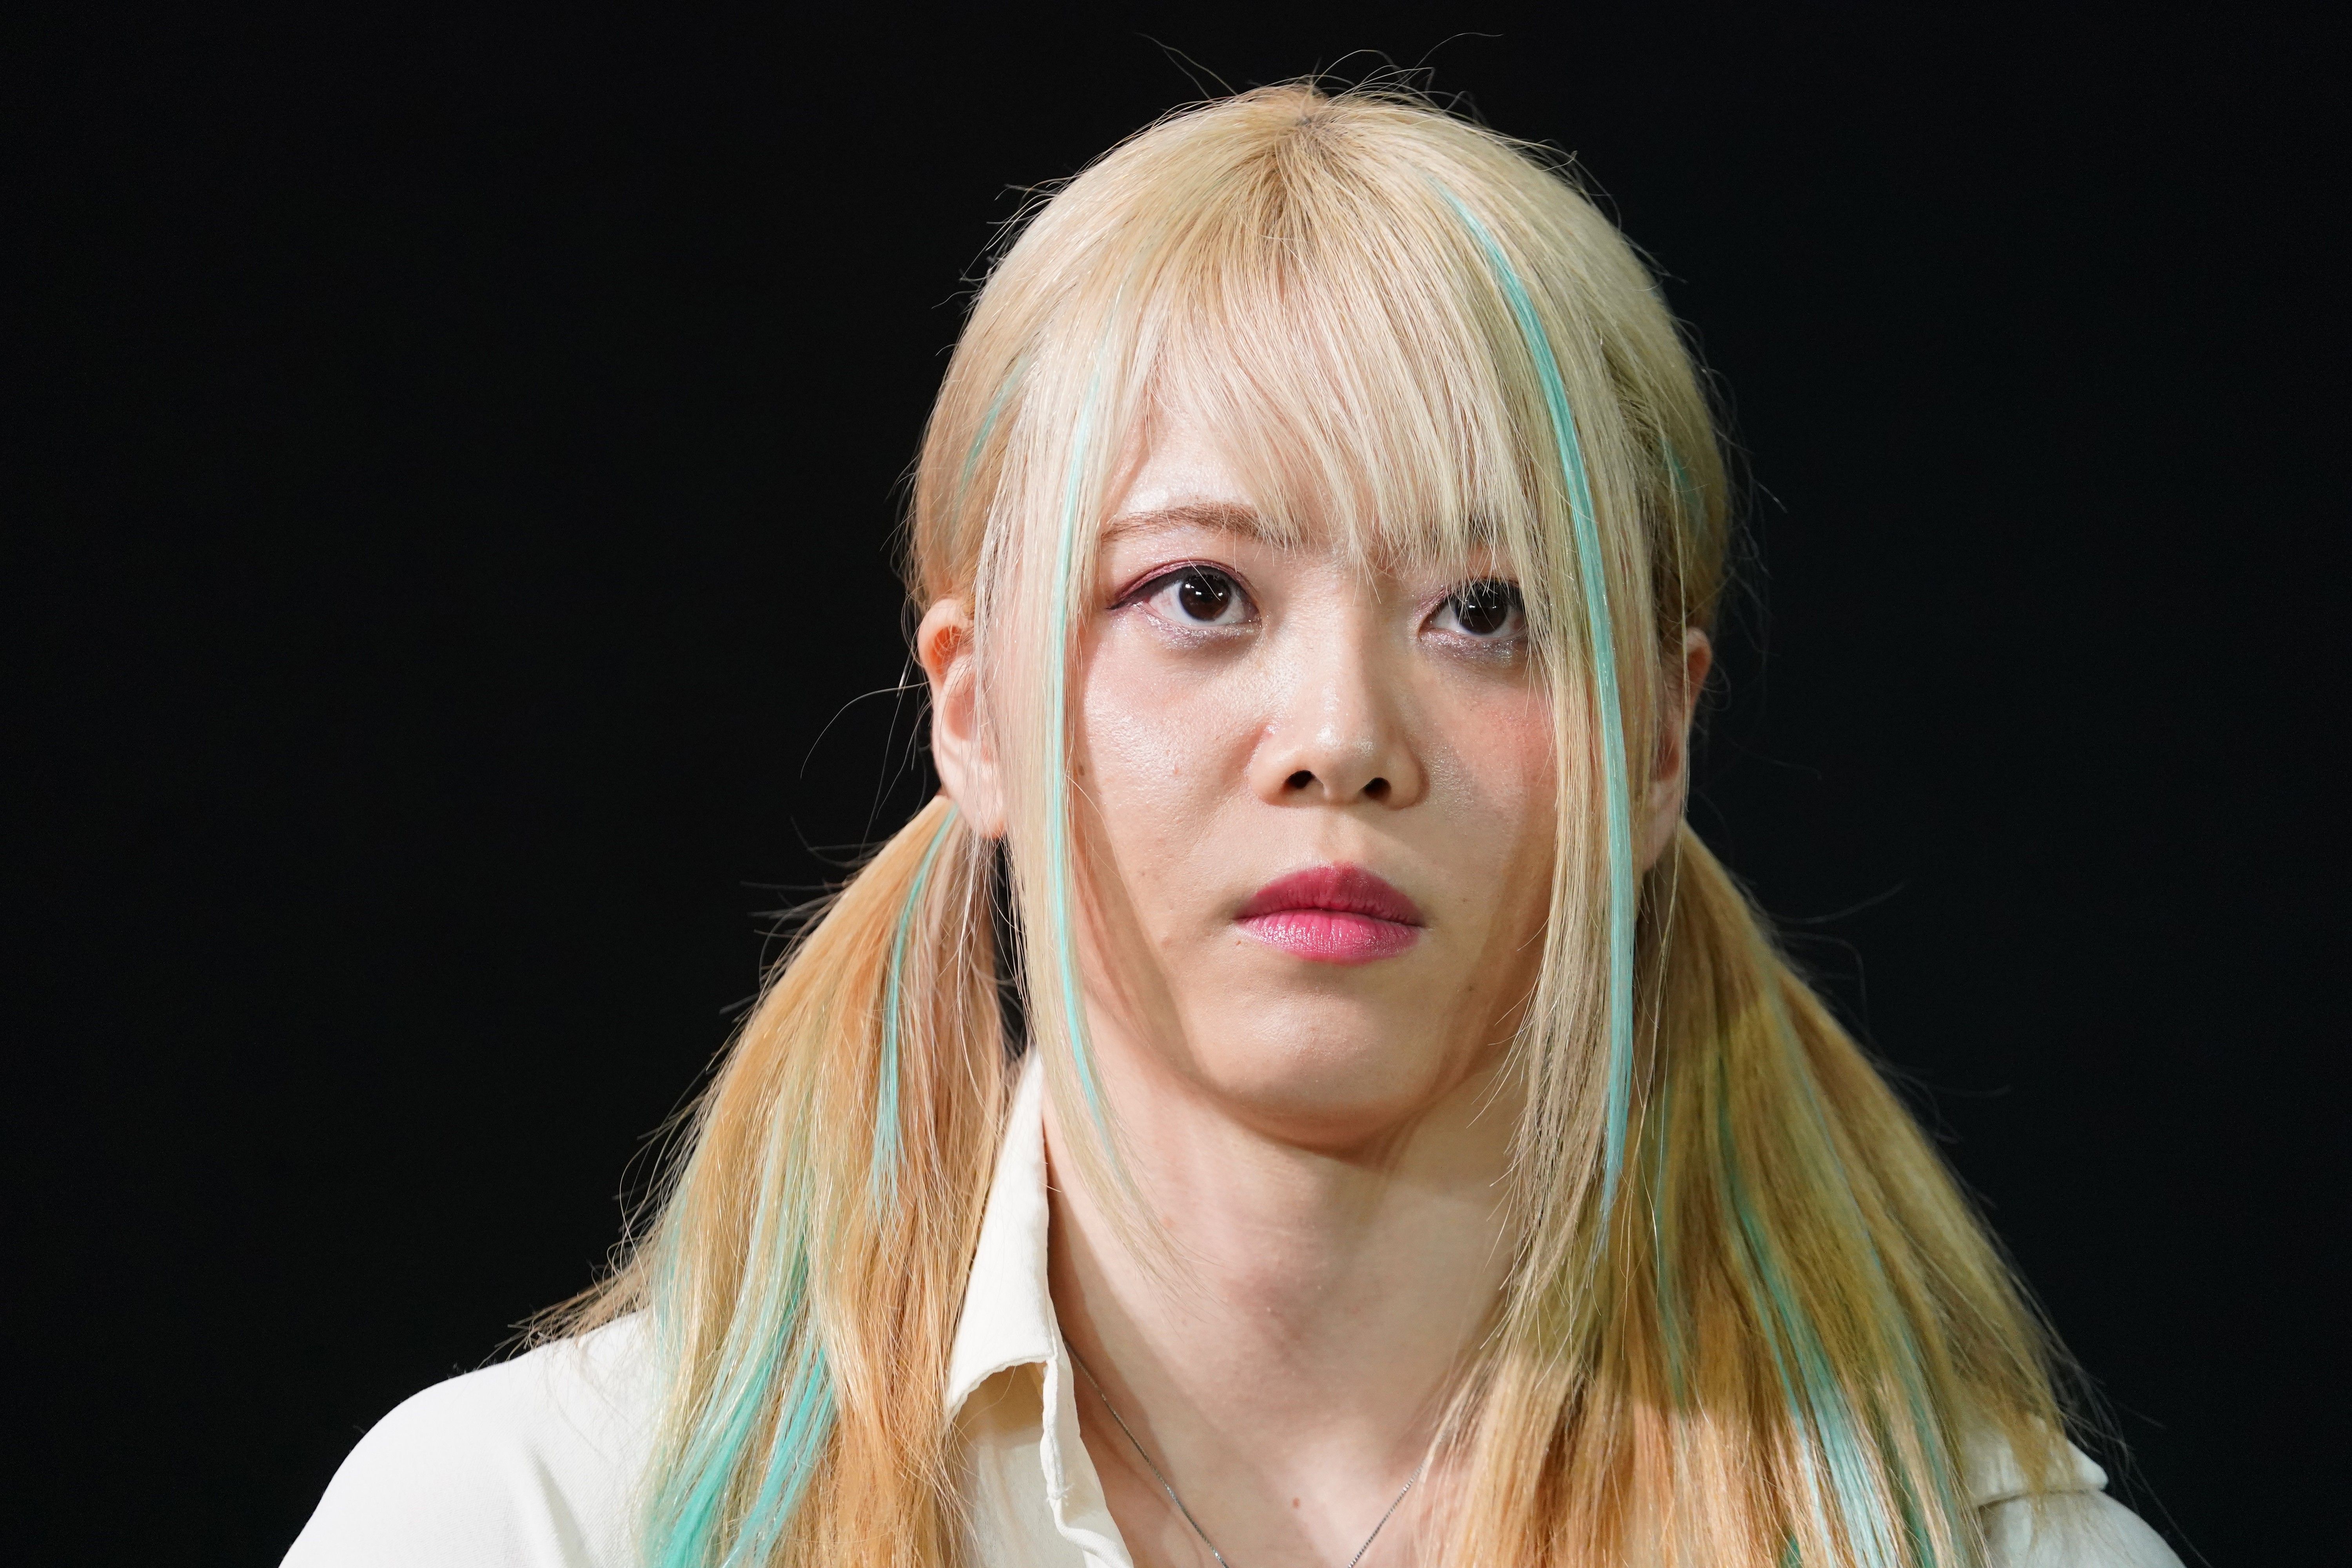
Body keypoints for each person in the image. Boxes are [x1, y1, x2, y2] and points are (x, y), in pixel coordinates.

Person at [285, 84, 2180, 1568]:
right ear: (975, 709)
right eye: (1197, 593)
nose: (1342, 738)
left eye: (1487, 610)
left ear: (1661, 744)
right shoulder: (530, 1523)